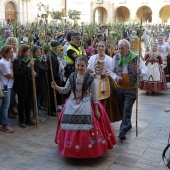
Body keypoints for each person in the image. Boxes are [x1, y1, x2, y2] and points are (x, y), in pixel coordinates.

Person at [51, 56, 116, 158]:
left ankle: (87, 149)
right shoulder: (72, 76)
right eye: (78, 65)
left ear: (86, 66)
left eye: (82, 65)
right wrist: (56, 87)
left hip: (86, 102)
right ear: (75, 65)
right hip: (72, 103)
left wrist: (96, 110)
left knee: (90, 124)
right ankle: (70, 148)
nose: (80, 67)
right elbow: (65, 90)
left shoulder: (90, 78)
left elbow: (94, 96)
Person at [112, 39, 148, 140]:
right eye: (119, 48)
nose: (120, 50)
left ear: (128, 48)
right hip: (119, 88)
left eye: (122, 48)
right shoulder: (116, 57)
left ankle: (122, 131)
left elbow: (146, 70)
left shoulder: (136, 58)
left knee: (126, 109)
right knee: (123, 108)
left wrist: (141, 71)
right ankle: (127, 124)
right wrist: (116, 77)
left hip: (131, 88)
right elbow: (110, 71)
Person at [87, 41, 122, 122]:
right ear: (96, 47)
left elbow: (112, 71)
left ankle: (104, 119)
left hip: (105, 81)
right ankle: (94, 119)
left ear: (105, 48)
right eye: (99, 46)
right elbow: (89, 69)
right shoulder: (92, 58)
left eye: (102, 46)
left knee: (106, 99)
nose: (100, 48)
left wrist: (111, 75)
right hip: (94, 80)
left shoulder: (109, 59)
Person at [13, 44, 36, 128]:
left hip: (29, 83)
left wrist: (34, 73)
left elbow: (34, 70)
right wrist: (28, 66)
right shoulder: (17, 61)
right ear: (22, 52)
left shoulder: (30, 60)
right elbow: (19, 72)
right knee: (22, 102)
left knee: (29, 102)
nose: (29, 53)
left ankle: (28, 118)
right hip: (21, 85)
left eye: (29, 51)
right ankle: (21, 120)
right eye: (27, 51)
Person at [0, 45, 14, 133]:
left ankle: (3, 121)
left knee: (4, 105)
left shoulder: (7, 61)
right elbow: (10, 75)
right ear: (5, 53)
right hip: (5, 86)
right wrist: (12, 67)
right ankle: (5, 124)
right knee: (5, 105)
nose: (12, 54)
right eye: (11, 52)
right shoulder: (3, 63)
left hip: (8, 85)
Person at [32, 45, 48, 120]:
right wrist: (45, 62)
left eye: (39, 52)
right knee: (36, 100)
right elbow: (44, 69)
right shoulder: (35, 61)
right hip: (38, 83)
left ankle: (36, 114)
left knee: (38, 99)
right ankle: (35, 115)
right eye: (37, 52)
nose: (39, 53)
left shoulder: (39, 60)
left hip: (42, 82)